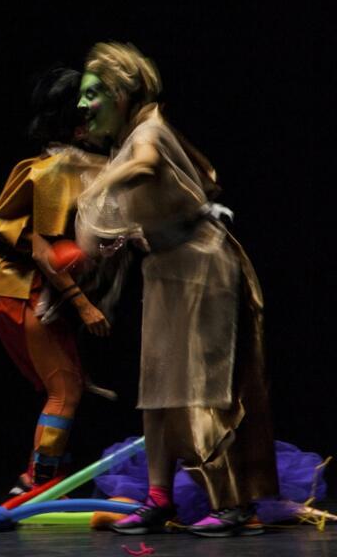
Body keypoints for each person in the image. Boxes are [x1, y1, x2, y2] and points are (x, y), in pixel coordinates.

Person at [73, 42, 279, 537]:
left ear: (122, 93)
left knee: (201, 386)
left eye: (93, 93)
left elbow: (144, 165)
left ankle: (233, 502)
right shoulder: (126, 139)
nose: (82, 105)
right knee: (157, 393)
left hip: (202, 266)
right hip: (165, 268)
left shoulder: (147, 129)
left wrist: (99, 184)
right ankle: (158, 498)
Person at [0, 67, 110, 496]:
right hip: (26, 292)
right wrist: (83, 304)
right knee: (64, 390)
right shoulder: (54, 172)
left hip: (21, 290)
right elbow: (45, 251)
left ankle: (46, 473)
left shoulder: (65, 166)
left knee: (65, 386)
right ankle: (38, 480)